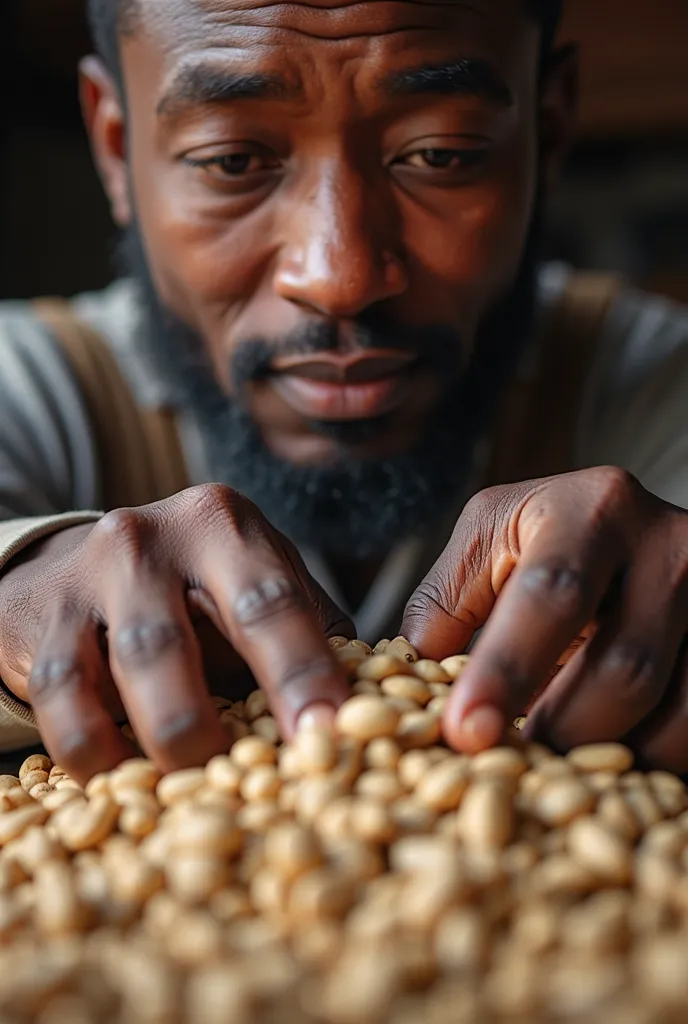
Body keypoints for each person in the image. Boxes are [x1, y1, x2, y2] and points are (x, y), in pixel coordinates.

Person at [0, 0, 686, 784]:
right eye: (231, 161)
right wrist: (18, 582)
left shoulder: (657, 382)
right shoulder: (26, 380)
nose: (341, 276)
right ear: (118, 152)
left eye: (441, 153)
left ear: (549, 132)